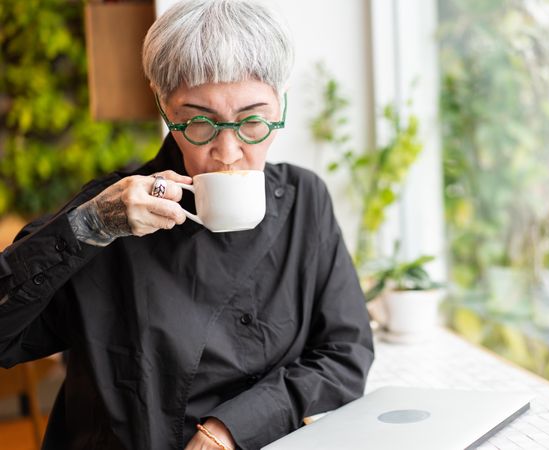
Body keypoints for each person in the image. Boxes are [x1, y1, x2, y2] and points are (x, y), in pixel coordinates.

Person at [0, 0, 374, 448]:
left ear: (282, 100)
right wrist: (89, 226)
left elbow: (344, 355)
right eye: (200, 122)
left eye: (253, 120)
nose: (229, 151)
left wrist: (231, 429)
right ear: (164, 107)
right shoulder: (109, 212)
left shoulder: (304, 200)